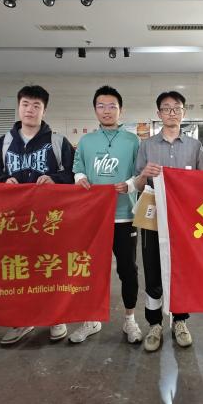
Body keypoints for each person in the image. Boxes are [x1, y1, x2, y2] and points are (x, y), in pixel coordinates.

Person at [0, 85, 75, 345]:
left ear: (44, 110)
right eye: (25, 104)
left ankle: (56, 318)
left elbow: (72, 173)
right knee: (20, 270)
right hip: (16, 220)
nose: (30, 110)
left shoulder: (57, 142)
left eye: (36, 105)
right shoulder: (5, 142)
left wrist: (55, 179)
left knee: (50, 267)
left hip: (49, 220)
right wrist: (4, 180)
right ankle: (22, 319)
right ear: (18, 107)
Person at [134, 91, 203, 352]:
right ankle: (154, 324)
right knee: (153, 269)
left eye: (176, 108)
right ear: (159, 114)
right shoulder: (147, 146)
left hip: (183, 220)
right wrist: (144, 174)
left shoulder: (194, 146)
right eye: (166, 108)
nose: (172, 113)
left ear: (184, 113)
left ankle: (180, 321)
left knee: (181, 270)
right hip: (153, 217)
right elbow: (137, 183)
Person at [70, 85, 142, 345]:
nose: (107, 111)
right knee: (90, 270)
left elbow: (141, 173)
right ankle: (91, 319)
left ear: (120, 110)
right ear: (95, 110)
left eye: (112, 106)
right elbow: (77, 167)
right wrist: (80, 178)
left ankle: (130, 319)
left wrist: (130, 185)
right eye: (101, 106)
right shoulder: (86, 142)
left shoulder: (133, 141)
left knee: (128, 270)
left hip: (125, 216)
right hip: (94, 217)